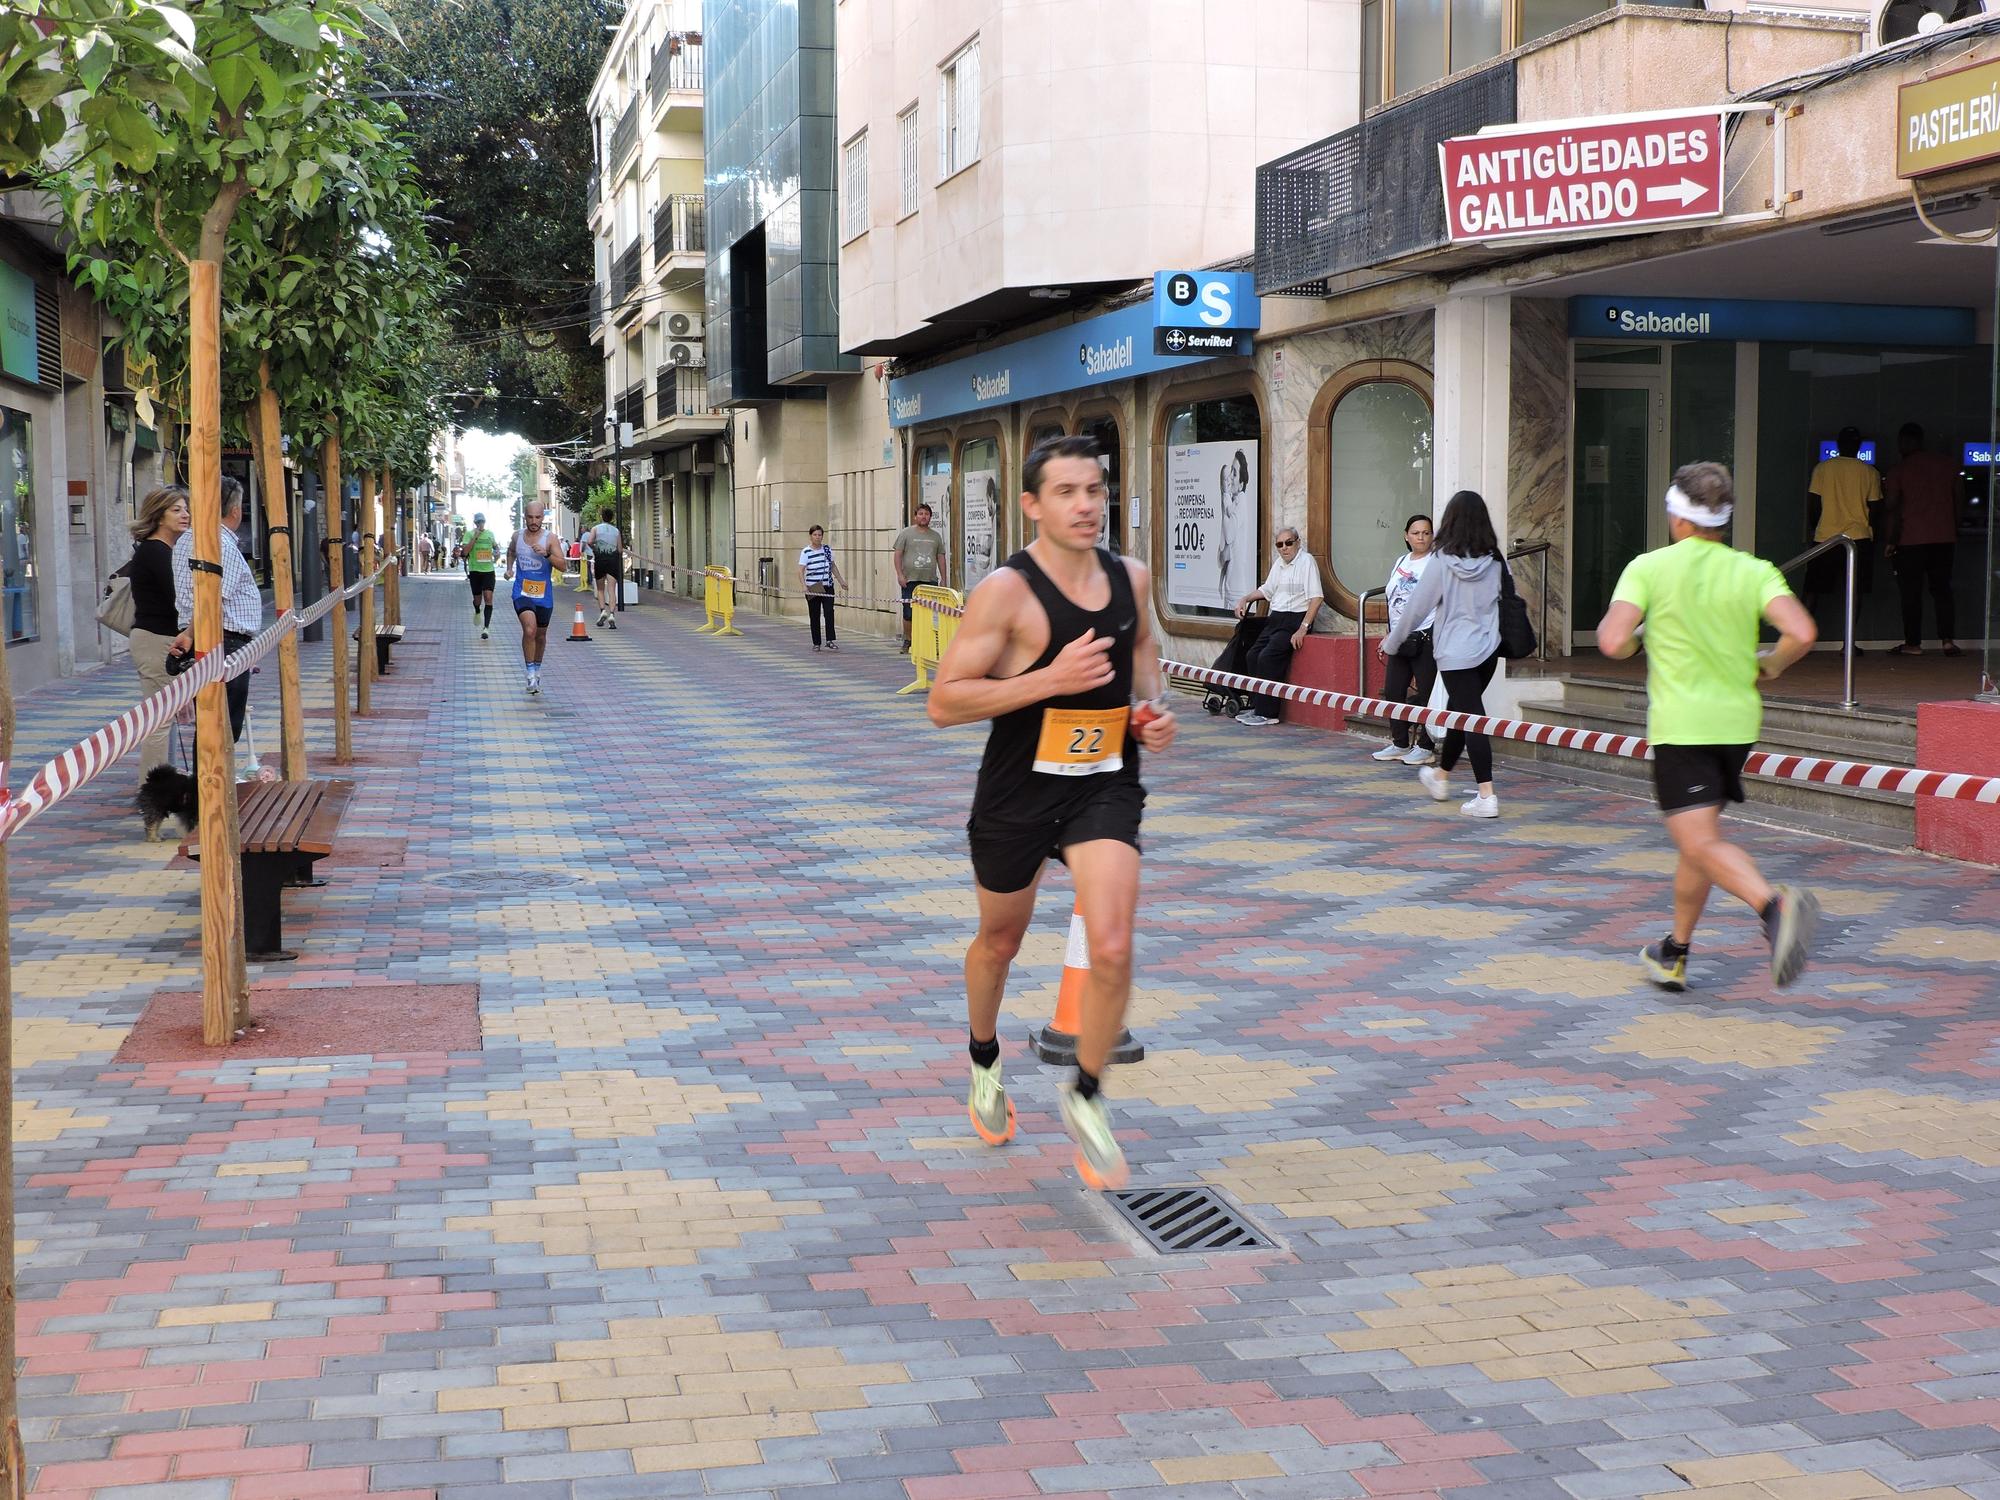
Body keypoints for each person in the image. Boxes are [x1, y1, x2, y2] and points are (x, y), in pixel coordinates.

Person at [928, 435, 1176, 1192]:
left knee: (1110, 943)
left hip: (1103, 783)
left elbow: (1146, 676)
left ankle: (1088, 1097)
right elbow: (945, 701)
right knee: (999, 943)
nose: (1086, 505)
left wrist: (1152, 717)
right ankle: (982, 1058)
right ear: (1032, 504)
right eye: (1066, 492)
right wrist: (1050, 678)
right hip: (1016, 792)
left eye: (1095, 490)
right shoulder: (1007, 590)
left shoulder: (1130, 577)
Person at [1596, 462, 1821, 991]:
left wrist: (1635, 638)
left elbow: (1611, 641)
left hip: (1683, 728)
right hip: (1737, 724)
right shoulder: (1754, 569)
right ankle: (1674, 951)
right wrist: (1770, 665)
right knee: (1699, 840)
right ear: (1723, 520)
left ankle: (1774, 906)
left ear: (1677, 516)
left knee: (1697, 841)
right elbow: (1801, 631)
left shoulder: (1649, 568)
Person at [1381, 489, 1503, 819]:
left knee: (1471, 717)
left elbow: (1417, 607)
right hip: (1488, 649)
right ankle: (1442, 777)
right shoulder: (1494, 560)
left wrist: (1392, 642)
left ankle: (1486, 794)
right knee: (1459, 713)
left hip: (1455, 652)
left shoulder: (1442, 561)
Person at [171, 476, 260, 748]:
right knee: (221, 728)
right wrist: (189, 633)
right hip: (222, 639)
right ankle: (211, 788)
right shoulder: (218, 543)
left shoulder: (187, 539)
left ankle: (208, 786)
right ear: (236, 510)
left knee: (212, 722)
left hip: (209, 635)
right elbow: (213, 599)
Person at [1883, 422, 1966, 657]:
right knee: (1942, 590)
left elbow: (1892, 506)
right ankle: (1947, 641)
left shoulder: (1899, 470)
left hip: (1911, 540)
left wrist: (1890, 540)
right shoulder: (1948, 465)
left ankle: (1913, 644)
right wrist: (1954, 526)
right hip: (1944, 538)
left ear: (1905, 442)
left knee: (1911, 593)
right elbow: (1959, 499)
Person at [126, 485, 191, 776]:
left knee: (164, 718)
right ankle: (151, 793)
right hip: (156, 642)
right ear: (159, 515)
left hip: (163, 639)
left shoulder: (166, 551)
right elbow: (178, 598)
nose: (184, 514)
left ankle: (162, 784)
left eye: (185, 509)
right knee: (159, 720)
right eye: (175, 510)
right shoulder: (156, 551)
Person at [1230, 526, 1322, 726]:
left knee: (1267, 657)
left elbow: (1316, 598)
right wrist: (1244, 598)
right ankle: (1256, 706)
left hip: (1295, 619)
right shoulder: (1279, 564)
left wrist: (1303, 627)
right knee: (1252, 655)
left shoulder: (1307, 562)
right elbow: (1267, 590)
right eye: (1279, 544)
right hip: (1276, 617)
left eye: (1288, 543)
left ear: (1298, 542)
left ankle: (1268, 713)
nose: (1284, 548)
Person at [1806, 426, 1880, 656]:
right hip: (1858, 538)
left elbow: (1814, 505)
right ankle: (1848, 645)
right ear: (1859, 447)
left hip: (1825, 537)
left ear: (1838, 445)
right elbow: (1876, 508)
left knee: (1812, 591)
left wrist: (1816, 528)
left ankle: (1797, 643)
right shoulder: (1869, 472)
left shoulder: (1822, 469)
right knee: (1854, 593)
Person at [1373, 513, 1439, 765]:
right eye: (1416, 533)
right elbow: (1393, 599)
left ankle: (1426, 745)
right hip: (1399, 636)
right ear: (1406, 536)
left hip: (1426, 634)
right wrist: (1390, 633)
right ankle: (1399, 742)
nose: (1421, 537)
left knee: (1427, 692)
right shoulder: (1402, 560)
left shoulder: (1435, 562)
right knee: (1394, 690)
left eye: (1426, 532)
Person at [503, 502, 564, 695]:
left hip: (544, 595)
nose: (534, 521)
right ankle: (530, 674)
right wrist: (510, 568)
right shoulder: (517, 536)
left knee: (541, 635)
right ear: (525, 517)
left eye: (538, 517)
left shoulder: (550, 539)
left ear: (542, 518)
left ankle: (537, 669)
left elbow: (563, 566)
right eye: (530, 517)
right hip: (522, 591)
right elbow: (511, 551)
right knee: (530, 630)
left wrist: (546, 554)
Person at [892, 502, 948, 652]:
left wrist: (943, 578)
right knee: (908, 612)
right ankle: (908, 640)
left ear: (930, 517)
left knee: (929, 613)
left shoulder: (935, 536)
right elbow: (897, 554)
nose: (924, 517)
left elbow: (941, 557)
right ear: (915, 516)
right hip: (910, 579)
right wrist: (900, 574)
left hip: (929, 580)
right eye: (921, 514)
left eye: (927, 514)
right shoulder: (906, 533)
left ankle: (927, 642)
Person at [798, 524, 848, 652]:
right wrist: (804, 586)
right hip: (813, 587)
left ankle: (830, 640)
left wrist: (841, 580)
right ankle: (816, 642)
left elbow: (833, 566)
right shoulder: (806, 552)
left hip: (827, 586)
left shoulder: (827, 550)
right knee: (814, 615)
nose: (817, 537)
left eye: (819, 535)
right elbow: (800, 570)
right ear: (810, 536)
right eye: (815, 535)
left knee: (829, 612)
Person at [1216, 449, 1250, 610]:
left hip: (1235, 590)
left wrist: (1225, 496)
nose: (1229, 478)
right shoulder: (1234, 504)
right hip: (1231, 587)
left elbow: (1229, 535)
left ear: (1242, 484)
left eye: (1234, 474)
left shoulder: (1241, 501)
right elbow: (1222, 554)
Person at [463, 513, 499, 637]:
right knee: (477, 600)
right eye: (478, 522)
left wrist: (497, 553)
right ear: (475, 523)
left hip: (488, 571)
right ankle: (477, 610)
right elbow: (465, 551)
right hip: (475, 571)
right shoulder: (469, 534)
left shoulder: (490, 534)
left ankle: (486, 628)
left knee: (488, 598)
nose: (480, 524)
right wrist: (475, 538)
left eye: (482, 521)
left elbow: (496, 548)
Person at [587, 514, 623, 629]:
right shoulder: (616, 531)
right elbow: (620, 549)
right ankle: (612, 614)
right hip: (613, 561)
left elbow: (589, 541)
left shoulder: (595, 528)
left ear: (602, 517)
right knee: (612, 589)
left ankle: (603, 611)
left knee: (601, 589)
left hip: (600, 560)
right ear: (611, 518)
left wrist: (595, 549)